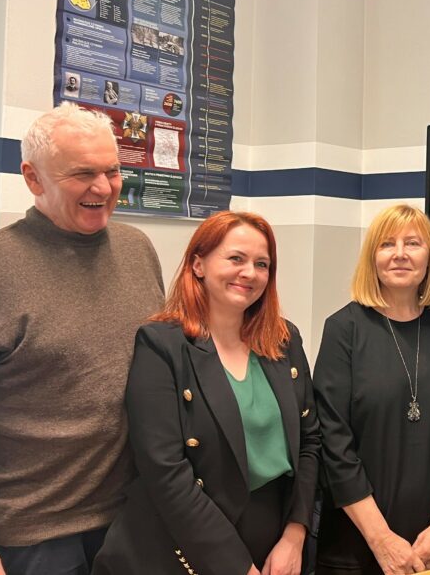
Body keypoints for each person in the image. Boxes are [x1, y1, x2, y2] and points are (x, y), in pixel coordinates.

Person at [0, 103, 165, 575]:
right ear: (33, 178)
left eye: (112, 171)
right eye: (82, 174)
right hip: (32, 536)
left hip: (134, 519)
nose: (103, 187)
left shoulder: (137, 251)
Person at [93, 211, 320, 575]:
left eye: (261, 264)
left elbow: (310, 441)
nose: (250, 273)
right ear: (198, 264)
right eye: (236, 259)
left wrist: (295, 535)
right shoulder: (162, 345)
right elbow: (165, 471)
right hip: (182, 543)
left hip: (274, 538)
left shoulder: (283, 339)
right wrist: (236, 567)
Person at [315, 204, 430, 573]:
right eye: (387, 244)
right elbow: (334, 442)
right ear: (372, 257)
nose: (400, 253)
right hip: (357, 543)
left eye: (413, 243)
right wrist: (381, 539)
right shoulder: (343, 329)